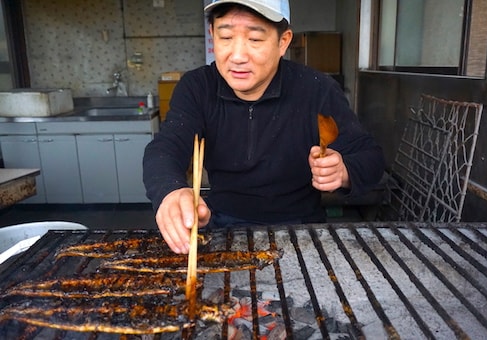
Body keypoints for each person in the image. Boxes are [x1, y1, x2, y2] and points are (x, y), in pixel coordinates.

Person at [143, 0, 385, 254]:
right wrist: (169, 190)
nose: (237, 56)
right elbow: (167, 146)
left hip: (300, 229)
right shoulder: (197, 87)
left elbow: (370, 156)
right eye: (225, 37)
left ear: (283, 42)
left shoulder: (316, 89)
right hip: (222, 225)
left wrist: (343, 171)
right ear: (213, 35)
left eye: (255, 40)